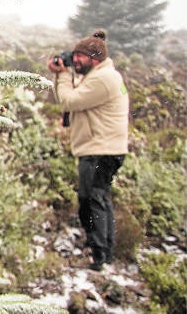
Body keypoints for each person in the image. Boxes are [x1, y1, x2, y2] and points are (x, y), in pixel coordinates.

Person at [46, 29, 129, 271]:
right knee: (98, 198)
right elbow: (74, 95)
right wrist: (65, 73)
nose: (76, 61)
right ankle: (104, 251)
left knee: (91, 200)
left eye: (80, 57)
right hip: (102, 148)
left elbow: (70, 101)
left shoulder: (103, 79)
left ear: (95, 58)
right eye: (74, 56)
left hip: (100, 149)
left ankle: (99, 254)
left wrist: (62, 75)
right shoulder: (99, 75)